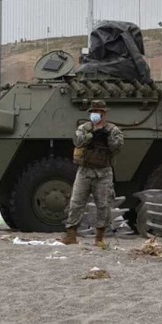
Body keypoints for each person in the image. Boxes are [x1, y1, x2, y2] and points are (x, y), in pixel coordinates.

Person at [61, 100, 124, 247]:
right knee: (76, 203)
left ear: (104, 113)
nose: (95, 114)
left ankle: (99, 237)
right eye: (93, 112)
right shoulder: (84, 128)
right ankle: (71, 235)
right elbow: (77, 141)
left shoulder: (113, 130)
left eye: (98, 112)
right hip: (85, 170)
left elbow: (118, 147)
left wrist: (107, 137)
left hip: (103, 172)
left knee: (103, 205)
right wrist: (91, 136)